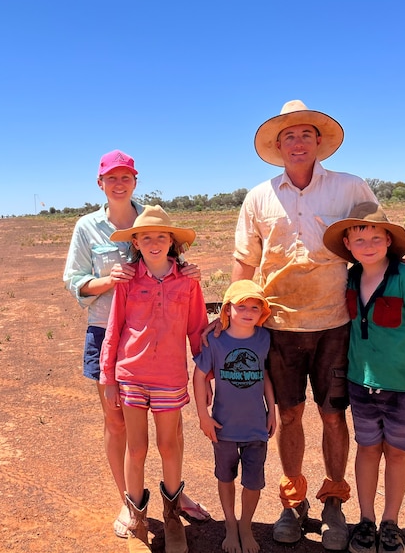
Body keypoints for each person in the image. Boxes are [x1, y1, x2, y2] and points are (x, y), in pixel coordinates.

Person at [214, 100, 405, 550]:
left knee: (333, 414)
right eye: (288, 137)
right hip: (278, 324)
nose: (297, 143)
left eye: (305, 135)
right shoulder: (259, 197)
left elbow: (385, 236)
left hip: (337, 324)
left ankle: (335, 502)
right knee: (288, 414)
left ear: (319, 142)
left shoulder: (349, 187)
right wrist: (230, 315)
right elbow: (245, 262)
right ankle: (292, 502)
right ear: (277, 146)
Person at [63, 150, 210, 541]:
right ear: (100, 183)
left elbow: (179, 277)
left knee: (170, 429)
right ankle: (130, 504)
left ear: (135, 180)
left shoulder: (152, 220)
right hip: (109, 335)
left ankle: (174, 499)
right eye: (111, 177)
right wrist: (108, 281)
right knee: (118, 425)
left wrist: (189, 272)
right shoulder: (87, 227)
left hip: (163, 351)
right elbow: (73, 280)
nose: (119, 182)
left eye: (125, 176)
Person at [322, 202, 405, 553]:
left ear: (389, 241)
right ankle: (366, 519)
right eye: (360, 240)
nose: (369, 245)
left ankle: (391, 523)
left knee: (396, 452)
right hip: (362, 384)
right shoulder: (350, 277)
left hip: (404, 387)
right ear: (347, 244)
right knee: (367, 447)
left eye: (377, 237)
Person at [100, 205, 208, 553]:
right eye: (146, 237)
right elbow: (114, 328)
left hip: (170, 377)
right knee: (138, 447)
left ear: (172, 242)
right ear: (136, 241)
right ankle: (137, 517)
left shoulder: (188, 281)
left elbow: (196, 328)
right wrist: (108, 375)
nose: (154, 242)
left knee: (169, 444)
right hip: (131, 375)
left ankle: (173, 517)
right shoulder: (129, 280)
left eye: (161, 236)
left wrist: (206, 370)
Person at [193, 280, 276, 553]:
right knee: (225, 477)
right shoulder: (216, 341)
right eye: (241, 306)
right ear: (228, 309)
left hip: (255, 427)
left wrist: (271, 409)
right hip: (223, 426)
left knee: (253, 481)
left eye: (255, 307)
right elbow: (199, 375)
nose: (249, 312)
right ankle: (230, 523)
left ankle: (245, 525)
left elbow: (264, 375)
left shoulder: (263, 338)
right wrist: (203, 417)